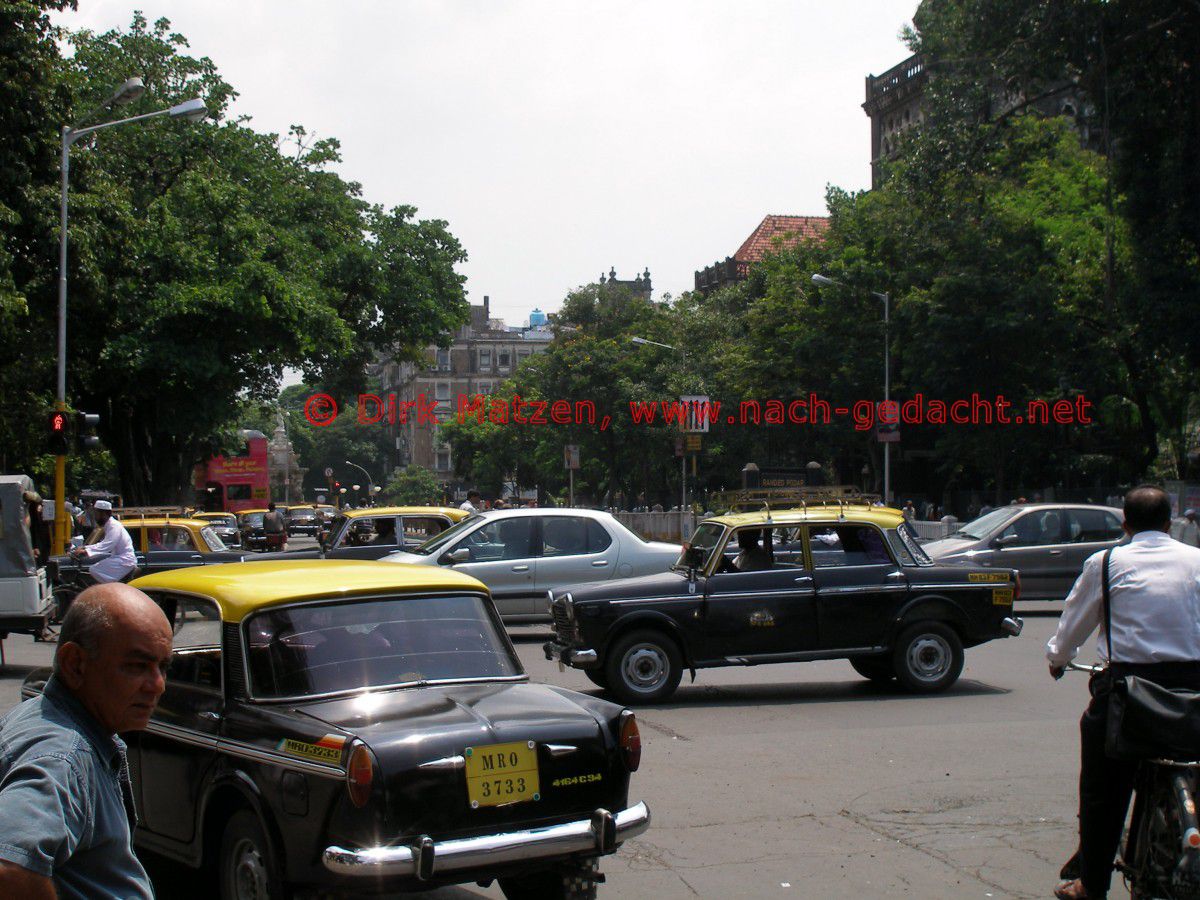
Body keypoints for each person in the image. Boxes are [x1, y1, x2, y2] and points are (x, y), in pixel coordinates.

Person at [1047, 485, 1200, 900]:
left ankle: (1092, 885)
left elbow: (1071, 629)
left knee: (1102, 793)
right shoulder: (1197, 561)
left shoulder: (1107, 562)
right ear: (1171, 524)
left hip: (1130, 697)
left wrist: (1058, 658)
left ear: (1125, 524)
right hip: (1194, 694)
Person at [0, 583, 172, 898]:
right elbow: (9, 871)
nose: (158, 685)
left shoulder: (41, 716)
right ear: (75, 664)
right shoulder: (62, 756)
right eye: (137, 666)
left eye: (162, 667)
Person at [69, 500, 135, 584]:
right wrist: (85, 547)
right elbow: (103, 543)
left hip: (124, 560)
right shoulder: (108, 525)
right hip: (119, 559)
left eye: (97, 514)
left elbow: (107, 545)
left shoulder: (114, 526)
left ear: (105, 514)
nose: (95, 517)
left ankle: (110, 591)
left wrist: (86, 551)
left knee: (94, 569)